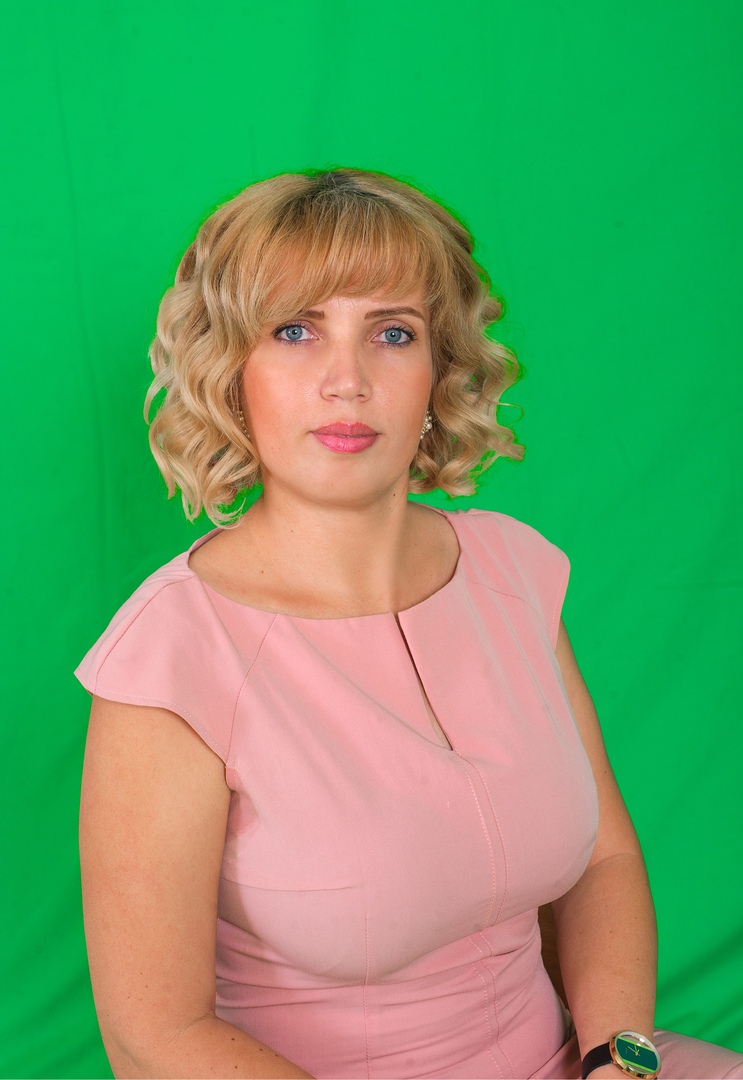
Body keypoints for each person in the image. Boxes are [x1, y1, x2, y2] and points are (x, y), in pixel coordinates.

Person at [76, 168, 743, 1079]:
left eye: (392, 333)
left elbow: (604, 861)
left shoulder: (513, 571)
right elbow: (153, 1036)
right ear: (230, 374)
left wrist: (616, 1061)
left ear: (440, 372)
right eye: (295, 330)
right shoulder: (171, 656)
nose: (347, 381)